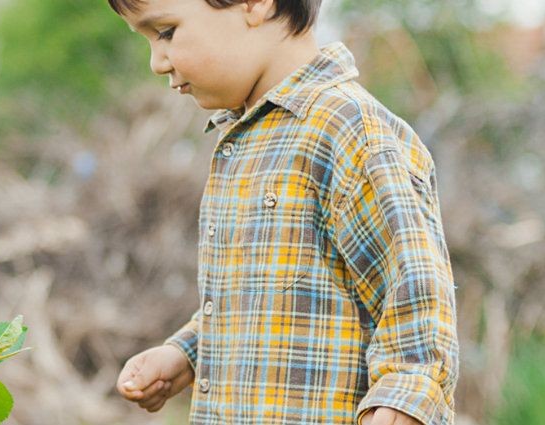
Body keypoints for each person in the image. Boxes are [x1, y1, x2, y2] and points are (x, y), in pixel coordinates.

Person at [105, 0, 460, 424]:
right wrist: (186, 352)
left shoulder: (348, 132)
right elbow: (266, 302)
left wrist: (402, 403)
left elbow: (417, 306)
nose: (157, 63)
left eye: (165, 32)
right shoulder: (248, 141)